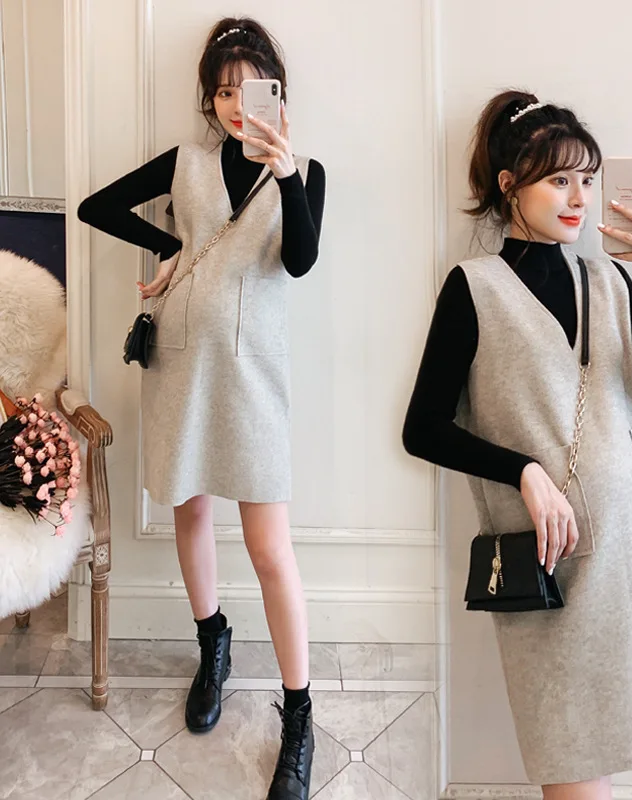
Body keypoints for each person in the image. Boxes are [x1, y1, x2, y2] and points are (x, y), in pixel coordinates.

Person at [402, 89, 632, 800]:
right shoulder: (474, 288)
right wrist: (525, 471)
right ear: (509, 185)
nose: (579, 198)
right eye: (559, 179)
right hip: (550, 562)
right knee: (570, 758)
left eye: (587, 179)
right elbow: (423, 427)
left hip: (628, 558)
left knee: (606, 758)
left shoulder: (610, 278)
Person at [78, 17, 325, 800]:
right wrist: (172, 247)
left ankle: (299, 713)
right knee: (190, 510)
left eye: (249, 89)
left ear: (277, 91)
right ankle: (212, 641)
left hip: (255, 377)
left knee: (269, 546)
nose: (234, 105)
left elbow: (301, 259)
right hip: (182, 363)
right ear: (209, 99)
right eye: (222, 92)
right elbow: (96, 206)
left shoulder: (305, 171)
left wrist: (287, 172)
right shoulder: (185, 163)